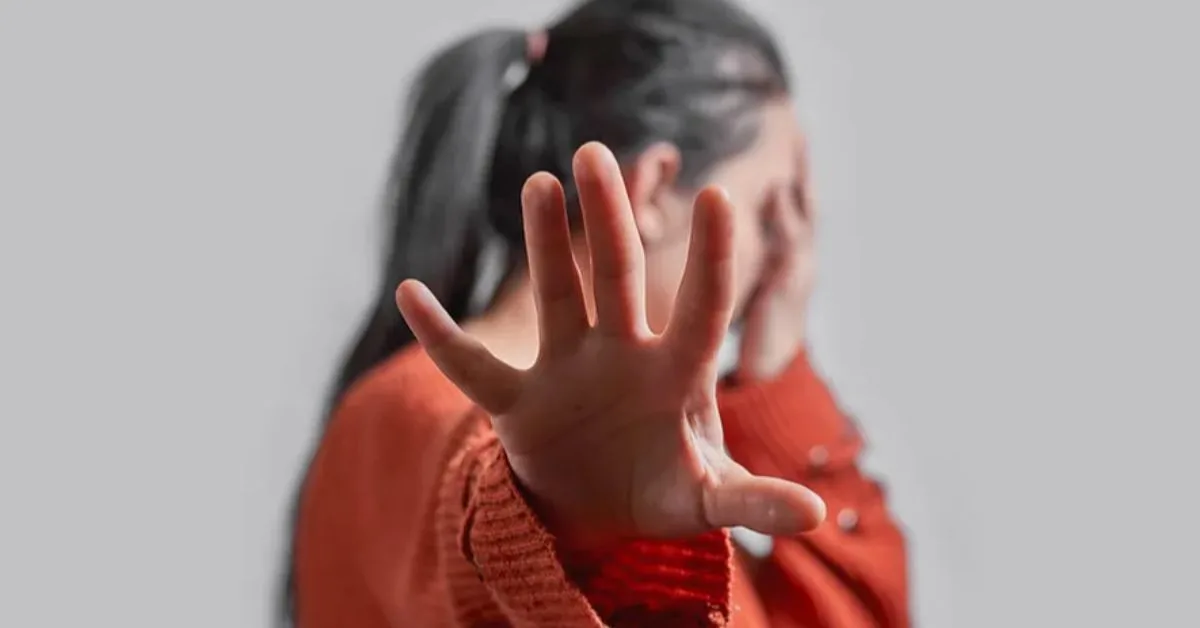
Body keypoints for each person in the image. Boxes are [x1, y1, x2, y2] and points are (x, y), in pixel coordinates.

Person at [286, 0, 909, 625]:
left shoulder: (640, 474)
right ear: (656, 189)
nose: (784, 265)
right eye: (769, 213)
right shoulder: (424, 423)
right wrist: (562, 522)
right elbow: (469, 537)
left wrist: (777, 381)